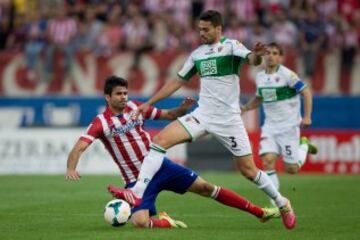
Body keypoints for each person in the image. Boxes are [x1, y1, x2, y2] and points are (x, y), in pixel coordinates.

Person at [110, 10, 296, 229]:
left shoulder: (231, 46)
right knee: (159, 141)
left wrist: (257, 55)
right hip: (202, 115)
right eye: (199, 29)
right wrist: (149, 103)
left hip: (228, 120)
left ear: (218, 29)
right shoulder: (197, 54)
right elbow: (176, 82)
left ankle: (282, 202)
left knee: (248, 170)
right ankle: (137, 193)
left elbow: (252, 60)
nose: (201, 33)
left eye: (206, 30)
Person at [66, 76, 279, 229]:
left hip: (161, 167)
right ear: (107, 97)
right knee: (140, 222)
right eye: (118, 94)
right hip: (136, 180)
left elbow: (168, 115)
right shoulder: (100, 123)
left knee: (206, 188)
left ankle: (259, 212)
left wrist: (182, 109)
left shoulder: (135, 107)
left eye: (125, 93)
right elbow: (80, 146)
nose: (124, 97)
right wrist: (71, 168)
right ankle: (165, 222)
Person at [241, 42, 317, 202]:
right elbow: (260, 98)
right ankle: (276, 204)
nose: (271, 56)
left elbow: (307, 92)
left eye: (275, 53)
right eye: (268, 53)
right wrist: (246, 107)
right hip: (270, 127)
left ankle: (304, 145)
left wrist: (307, 116)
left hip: (289, 128)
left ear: (281, 57)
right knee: (267, 161)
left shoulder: (288, 75)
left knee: (291, 169)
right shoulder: (260, 76)